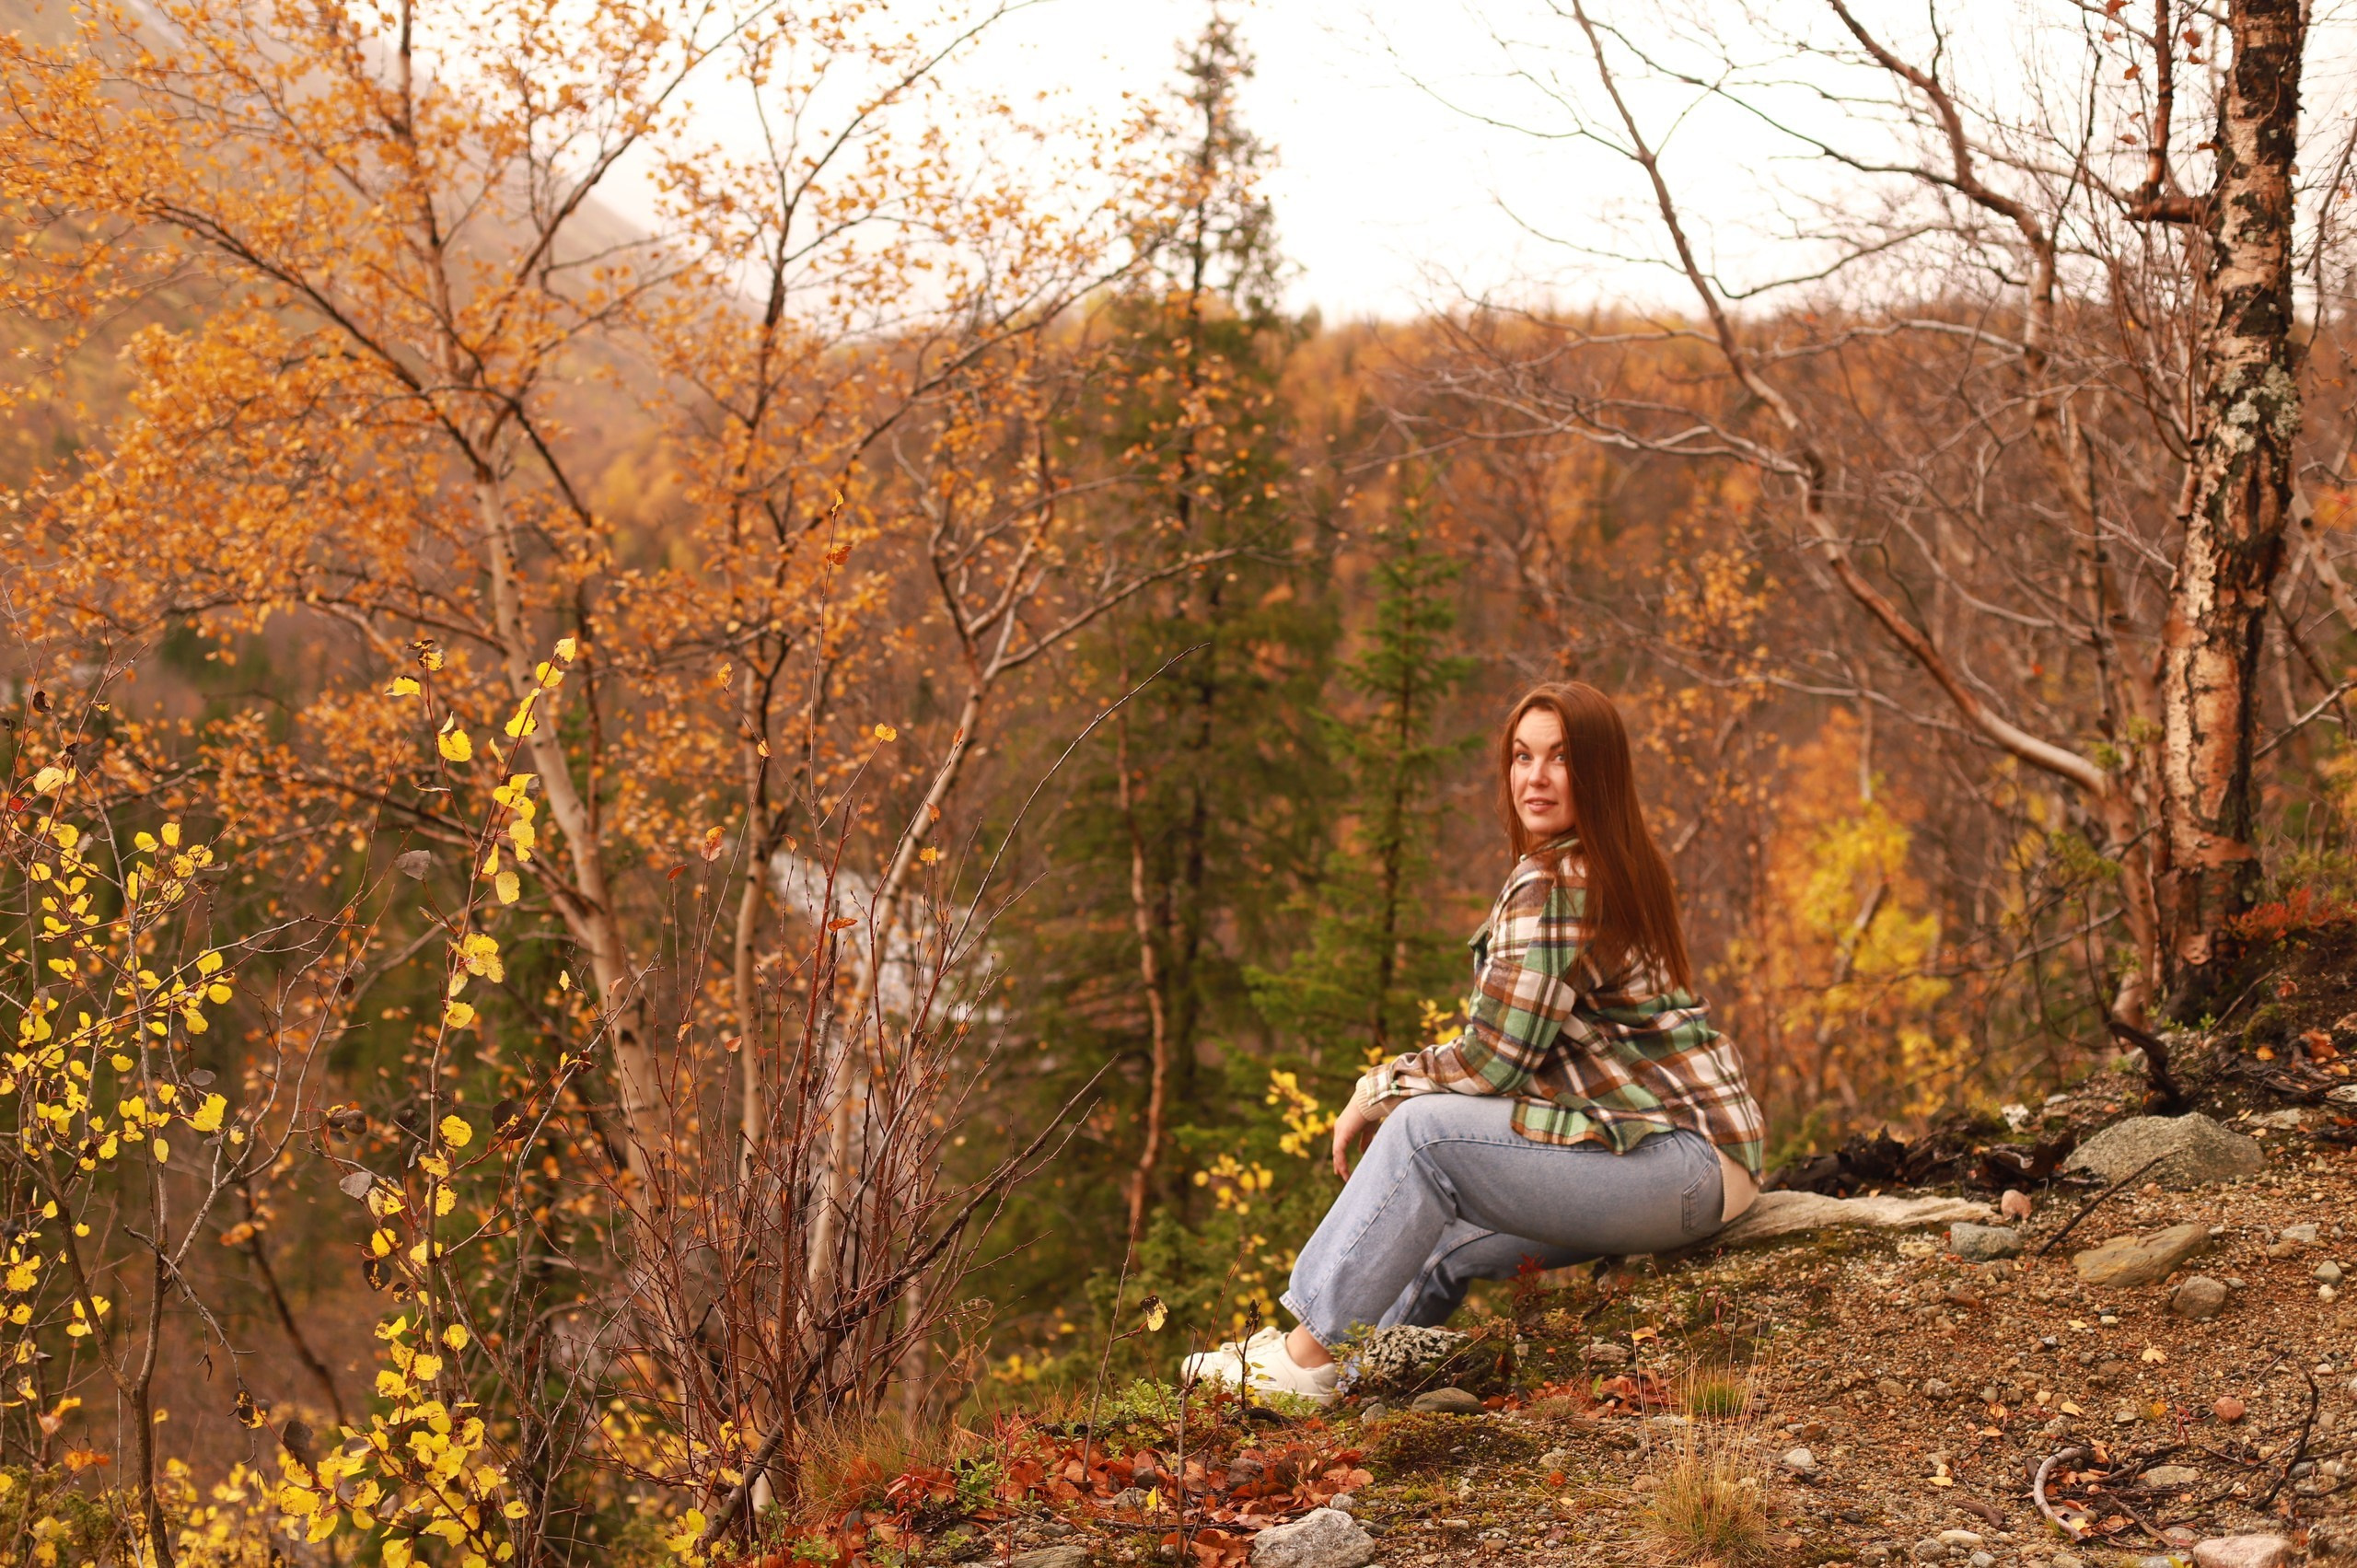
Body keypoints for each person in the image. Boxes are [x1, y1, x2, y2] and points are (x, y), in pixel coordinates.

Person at [1181, 681, 1764, 1403]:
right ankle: (1350, 1380)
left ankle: (1300, 1362)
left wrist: (1378, 1089)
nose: (1536, 777)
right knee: (1433, 1227)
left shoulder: (1558, 881)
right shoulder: (1607, 864)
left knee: (1423, 1137)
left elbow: (1494, 1060)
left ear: (1600, 773)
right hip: (1702, 1170)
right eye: (1523, 757)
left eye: (1561, 758)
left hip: (1678, 1168)